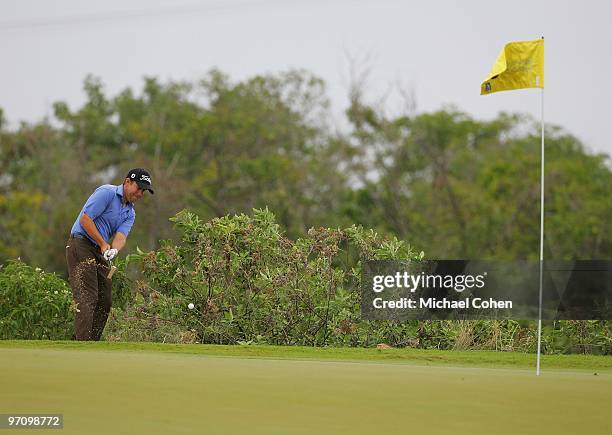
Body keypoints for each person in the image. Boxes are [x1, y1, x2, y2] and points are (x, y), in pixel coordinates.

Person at [65, 168, 154, 340]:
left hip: (98, 250)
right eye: (139, 187)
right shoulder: (106, 193)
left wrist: (114, 249)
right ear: (127, 182)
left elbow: (121, 237)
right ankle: (83, 343)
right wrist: (103, 243)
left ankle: (93, 342)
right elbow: (85, 219)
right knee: (87, 293)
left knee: (105, 298)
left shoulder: (130, 212)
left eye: (144, 190)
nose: (140, 193)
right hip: (80, 243)